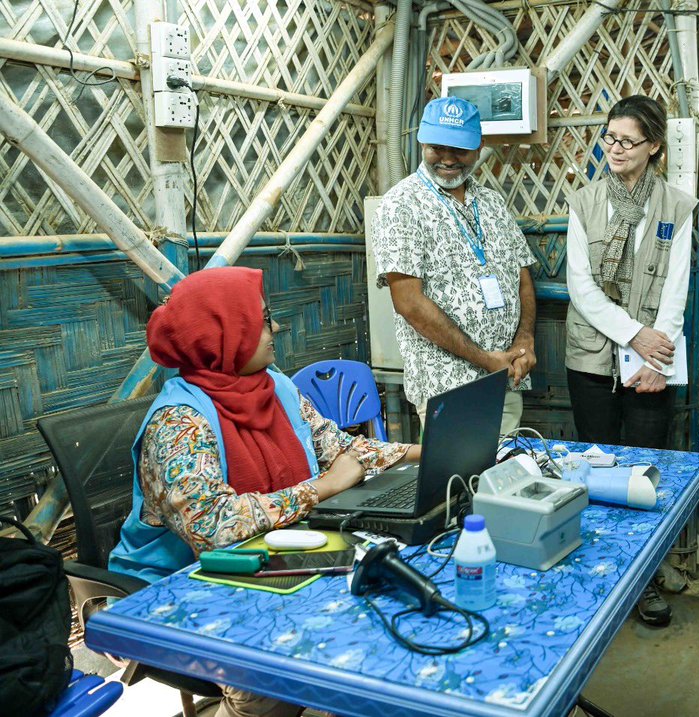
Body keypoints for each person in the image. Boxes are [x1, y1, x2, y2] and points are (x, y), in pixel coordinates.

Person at [107, 267, 421, 717]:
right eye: (261, 320)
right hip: (185, 586)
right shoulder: (178, 422)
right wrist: (320, 488)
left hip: (271, 559)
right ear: (223, 335)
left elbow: (340, 447)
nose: (275, 328)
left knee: (375, 607)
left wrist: (416, 453)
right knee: (270, 679)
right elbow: (216, 528)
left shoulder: (276, 386)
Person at [564, 95, 697, 626]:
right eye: (610, 138)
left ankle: (644, 577)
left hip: (652, 364)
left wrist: (653, 353)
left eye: (627, 141)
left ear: (654, 147)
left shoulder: (678, 207)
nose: (615, 149)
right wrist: (634, 334)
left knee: (645, 473)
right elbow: (581, 287)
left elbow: (677, 289)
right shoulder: (584, 201)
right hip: (592, 360)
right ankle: (605, 575)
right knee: (597, 471)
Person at [373, 97, 537, 435]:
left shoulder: (492, 201)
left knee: (501, 482)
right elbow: (409, 304)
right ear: (422, 143)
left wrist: (524, 341)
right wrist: (484, 359)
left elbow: (522, 275)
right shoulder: (400, 205)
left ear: (478, 149)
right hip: (448, 388)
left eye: (459, 150)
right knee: (455, 486)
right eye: (437, 147)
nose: (447, 159)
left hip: (506, 377)